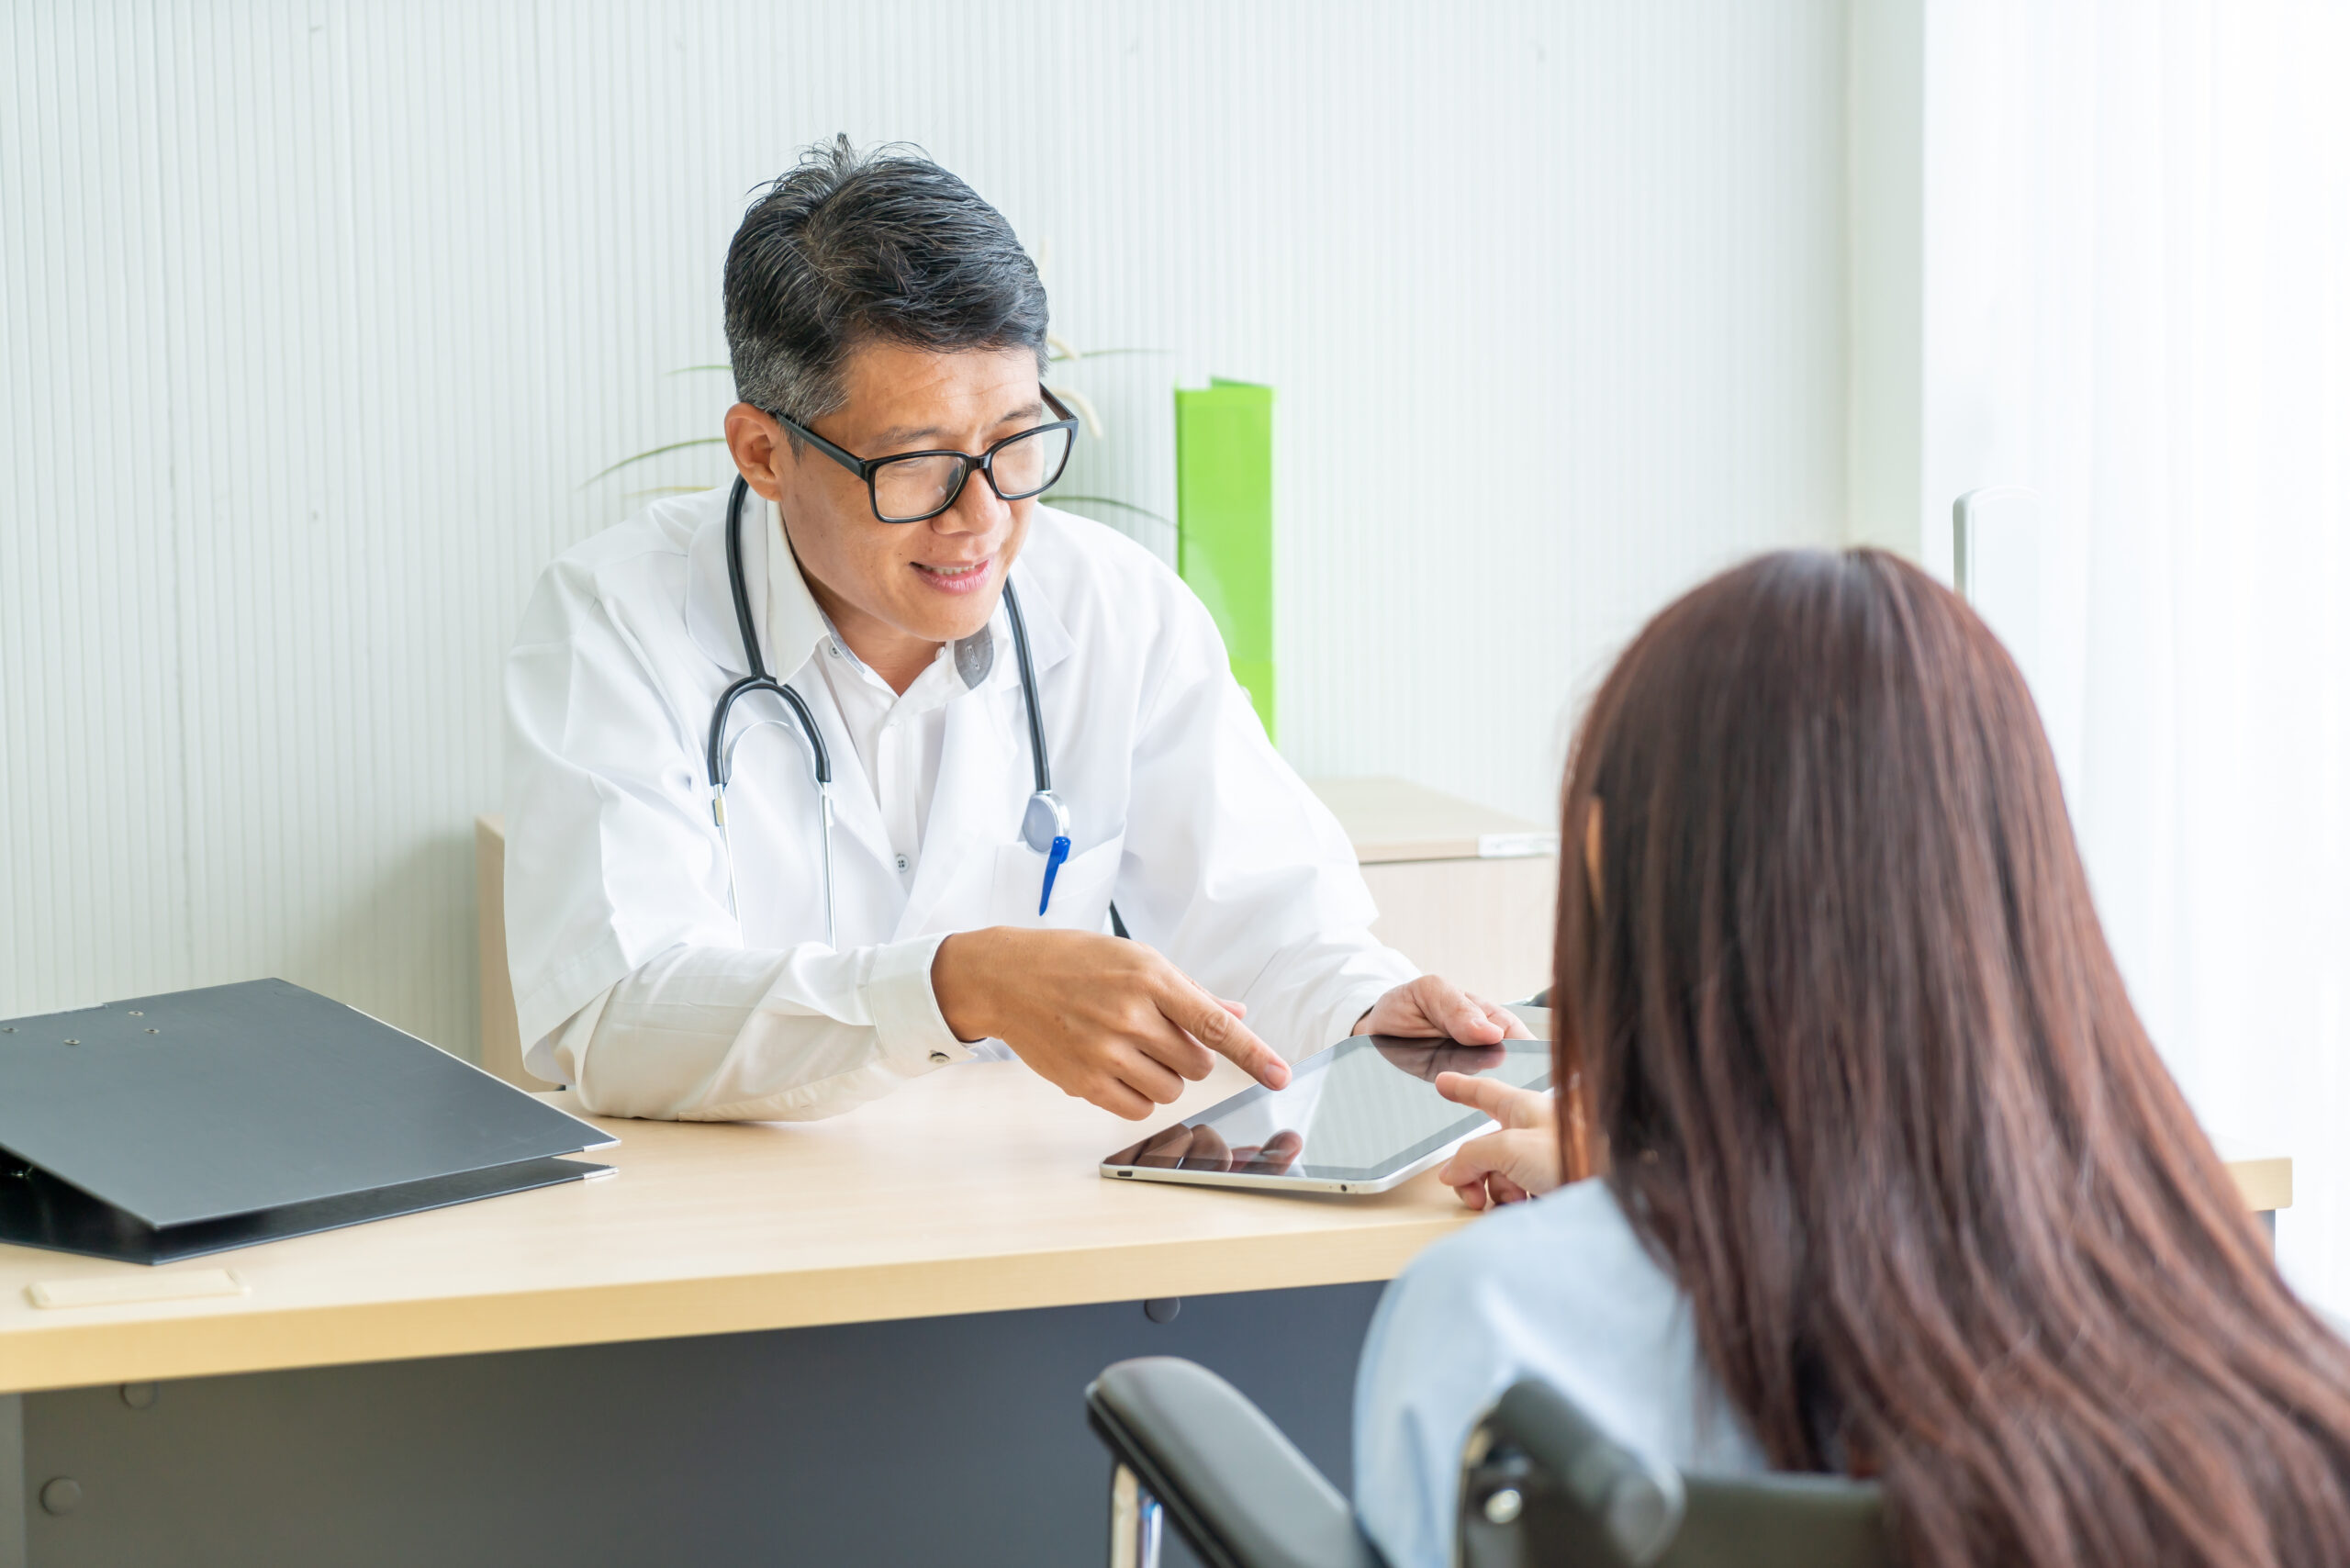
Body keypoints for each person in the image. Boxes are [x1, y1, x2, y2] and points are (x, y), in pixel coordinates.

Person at [1354, 549, 2350, 1568]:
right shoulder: (2276, 1383)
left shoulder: (1503, 1333)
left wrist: (1634, 1228)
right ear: (2020, 877)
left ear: (1605, 860)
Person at [502, 138, 1521, 1123]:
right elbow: (611, 1013)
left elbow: (1269, 922)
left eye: (1016, 441)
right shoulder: (615, 618)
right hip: (734, 1250)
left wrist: (1363, 1005)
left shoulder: (1116, 606)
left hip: (1025, 1220)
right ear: (764, 453)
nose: (980, 516)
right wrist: (955, 986)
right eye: (917, 463)